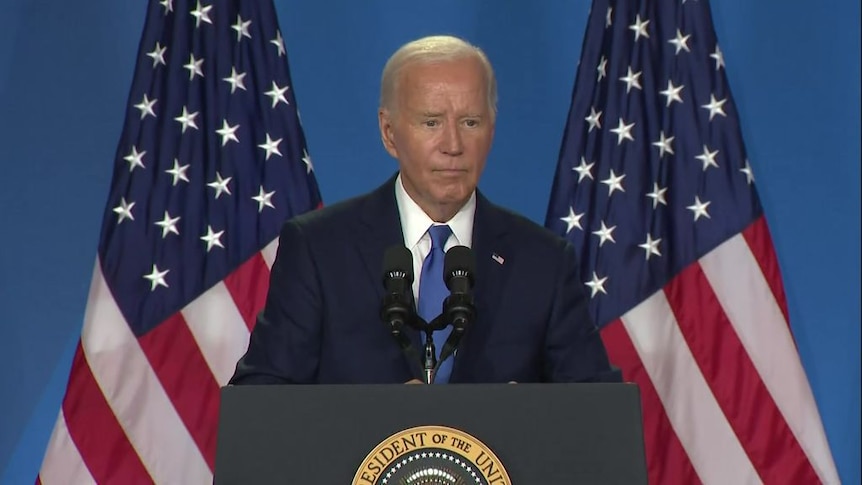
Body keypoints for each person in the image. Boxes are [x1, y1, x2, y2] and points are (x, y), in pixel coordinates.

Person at [230, 35, 619, 385]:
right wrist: (374, 420)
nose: (453, 144)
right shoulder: (319, 249)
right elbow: (262, 398)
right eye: (431, 122)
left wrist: (517, 418)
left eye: (470, 122)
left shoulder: (543, 262)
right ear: (389, 133)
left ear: (492, 130)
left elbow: (595, 415)